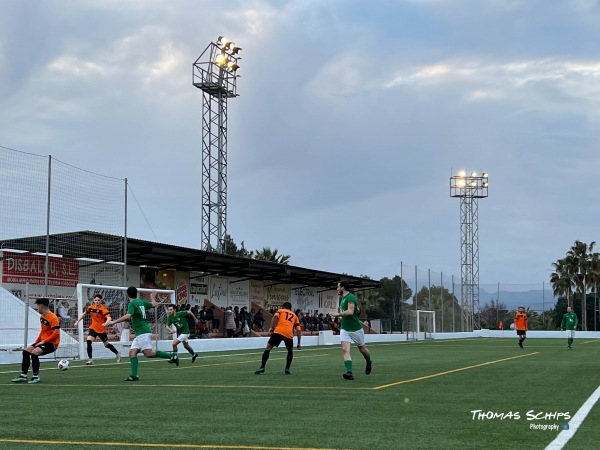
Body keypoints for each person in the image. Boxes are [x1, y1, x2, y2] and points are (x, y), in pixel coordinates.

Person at [105, 286, 179, 381]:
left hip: (142, 331)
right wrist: (152, 297)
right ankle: (134, 375)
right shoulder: (141, 302)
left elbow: (128, 316)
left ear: (128, 295)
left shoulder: (132, 304)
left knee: (148, 354)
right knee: (132, 353)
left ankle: (172, 355)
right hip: (141, 331)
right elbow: (154, 304)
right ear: (137, 293)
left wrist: (113, 322)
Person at [11, 298, 60, 384]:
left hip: (52, 343)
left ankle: (35, 376)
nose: (37, 308)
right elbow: (43, 331)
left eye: (38, 306)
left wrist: (43, 342)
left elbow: (56, 334)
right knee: (26, 351)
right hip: (43, 341)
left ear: (41, 306)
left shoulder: (53, 318)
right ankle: (24, 376)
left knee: (34, 353)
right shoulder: (42, 317)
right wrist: (36, 342)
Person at [331, 281, 372, 381]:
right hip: (345, 328)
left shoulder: (350, 297)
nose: (337, 289)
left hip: (355, 328)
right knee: (345, 349)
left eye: (338, 287)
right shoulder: (343, 299)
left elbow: (350, 312)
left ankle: (369, 361)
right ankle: (349, 372)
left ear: (343, 287)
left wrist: (337, 314)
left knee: (362, 349)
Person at [255, 302, 302, 375]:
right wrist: (299, 343)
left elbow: (275, 317)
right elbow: (299, 330)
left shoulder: (280, 311)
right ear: (290, 308)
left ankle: (262, 367)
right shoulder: (295, 316)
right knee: (290, 350)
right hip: (288, 334)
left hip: (278, 332)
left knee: (268, 348)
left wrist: (271, 327)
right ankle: (287, 368)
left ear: (284, 307)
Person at [73, 293, 121, 365]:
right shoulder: (91, 307)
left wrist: (105, 323)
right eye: (95, 300)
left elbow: (109, 318)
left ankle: (117, 353)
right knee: (89, 340)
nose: (97, 301)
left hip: (101, 329)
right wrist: (77, 321)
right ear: (94, 300)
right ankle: (90, 359)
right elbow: (84, 314)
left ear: (101, 301)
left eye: (98, 300)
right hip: (93, 328)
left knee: (106, 345)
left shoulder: (103, 309)